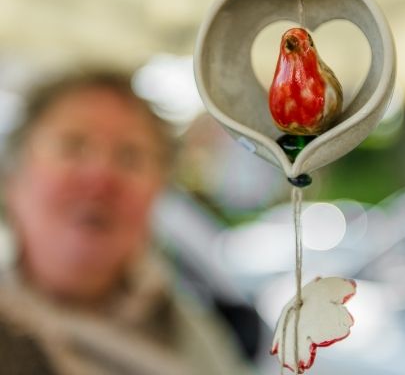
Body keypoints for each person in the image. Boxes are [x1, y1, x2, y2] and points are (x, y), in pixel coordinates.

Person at [0, 69, 252, 375]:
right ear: (12, 180)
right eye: (73, 145)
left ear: (159, 192)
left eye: (130, 156)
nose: (101, 176)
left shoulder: (198, 337)